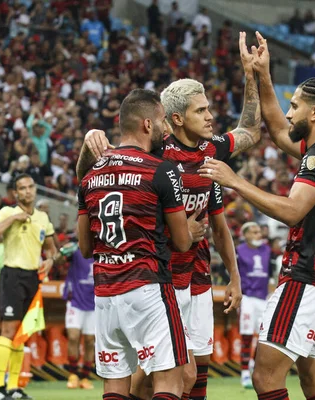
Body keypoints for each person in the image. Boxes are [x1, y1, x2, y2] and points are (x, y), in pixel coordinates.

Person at [80, 31, 262, 400]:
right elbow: (100, 173)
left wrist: (250, 75)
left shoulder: (211, 152)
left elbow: (251, 131)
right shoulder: (155, 154)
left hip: (197, 275)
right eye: (202, 110)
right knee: (169, 374)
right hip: (161, 278)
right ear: (175, 119)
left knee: (199, 371)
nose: (211, 117)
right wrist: (89, 142)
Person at [199, 31, 315, 400]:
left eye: (296, 105)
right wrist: (261, 74)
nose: (288, 112)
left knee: (266, 378)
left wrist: (235, 180)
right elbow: (276, 128)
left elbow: (292, 210)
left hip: (306, 277)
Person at [76, 89, 193, 400]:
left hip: (104, 294)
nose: (166, 128)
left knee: (115, 387)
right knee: (169, 381)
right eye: (161, 121)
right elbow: (182, 242)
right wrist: (190, 229)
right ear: (146, 124)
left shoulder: (91, 174)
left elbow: (85, 248)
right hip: (147, 287)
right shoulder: (160, 169)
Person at [0, 173, 57, 400]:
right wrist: (14, 219)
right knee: (8, 331)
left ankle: (14, 388)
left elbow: (52, 248)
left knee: (21, 335)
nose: (27, 191)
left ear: (35, 189)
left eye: (30, 187)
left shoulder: (43, 218)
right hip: (12, 275)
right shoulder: (7, 212)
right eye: (22, 188)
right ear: (16, 193)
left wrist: (50, 260)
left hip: (32, 277)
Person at [236, 222, 272, 389]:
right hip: (247, 297)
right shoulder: (239, 250)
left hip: (263, 297)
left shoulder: (267, 250)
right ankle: (244, 373)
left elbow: (271, 272)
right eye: (255, 232)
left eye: (259, 231)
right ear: (246, 235)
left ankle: (251, 362)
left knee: (264, 336)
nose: (259, 234)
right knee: (247, 334)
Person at [56, 240, 96, 390]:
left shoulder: (100, 249)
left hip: (94, 302)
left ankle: (85, 377)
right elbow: (58, 261)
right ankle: (73, 374)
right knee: (73, 337)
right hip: (75, 301)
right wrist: (61, 252)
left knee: (90, 341)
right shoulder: (74, 249)